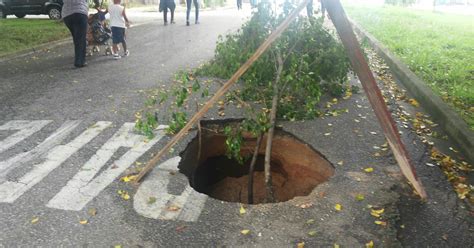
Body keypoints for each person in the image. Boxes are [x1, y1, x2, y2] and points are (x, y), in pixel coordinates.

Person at [62, 0, 89, 68]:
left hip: (67, 15)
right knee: (80, 38)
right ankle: (79, 61)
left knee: (76, 37)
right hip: (80, 12)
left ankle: (78, 58)